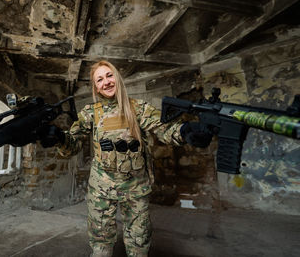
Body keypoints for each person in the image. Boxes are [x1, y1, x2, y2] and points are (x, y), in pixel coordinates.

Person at [40, 60, 212, 257]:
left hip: (135, 187)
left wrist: (184, 131)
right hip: (101, 189)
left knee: (139, 243)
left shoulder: (138, 108)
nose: (106, 82)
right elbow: (73, 145)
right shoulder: (90, 114)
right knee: (101, 245)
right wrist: (60, 138)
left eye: (109, 75)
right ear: (95, 86)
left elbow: (163, 128)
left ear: (118, 78)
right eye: (100, 79)